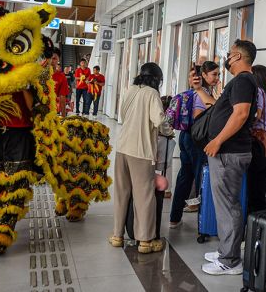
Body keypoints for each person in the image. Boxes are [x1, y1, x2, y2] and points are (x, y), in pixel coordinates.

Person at [201, 40, 258, 275]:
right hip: (228, 151)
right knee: (225, 203)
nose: (226, 58)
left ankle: (230, 260)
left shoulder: (244, 80)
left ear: (237, 57)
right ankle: (227, 249)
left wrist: (218, 140)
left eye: (229, 54)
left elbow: (241, 114)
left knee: (228, 205)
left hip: (229, 152)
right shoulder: (242, 81)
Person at [110, 62, 167, 254]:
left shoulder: (130, 90)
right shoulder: (152, 94)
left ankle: (117, 236)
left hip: (122, 147)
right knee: (144, 197)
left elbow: (123, 115)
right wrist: (169, 130)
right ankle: (145, 241)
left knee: (121, 193)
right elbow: (159, 120)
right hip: (141, 151)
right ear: (156, 79)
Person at [169, 61, 219, 228]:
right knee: (200, 181)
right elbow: (200, 116)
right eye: (214, 74)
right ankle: (203, 224)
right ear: (204, 75)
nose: (217, 78)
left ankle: (174, 218)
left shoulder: (195, 92)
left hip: (185, 137)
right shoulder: (202, 94)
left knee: (184, 177)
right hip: (196, 140)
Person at [247, 64, 266, 213]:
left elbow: (254, 118)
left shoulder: (257, 93)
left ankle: (255, 229)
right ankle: (260, 228)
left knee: (254, 192)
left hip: (259, 146)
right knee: (260, 188)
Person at [50, 49, 70, 118]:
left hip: (52, 111)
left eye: (54, 58)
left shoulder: (61, 77)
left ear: (58, 60)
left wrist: (63, 116)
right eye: (49, 57)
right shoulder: (37, 73)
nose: (51, 60)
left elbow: (62, 97)